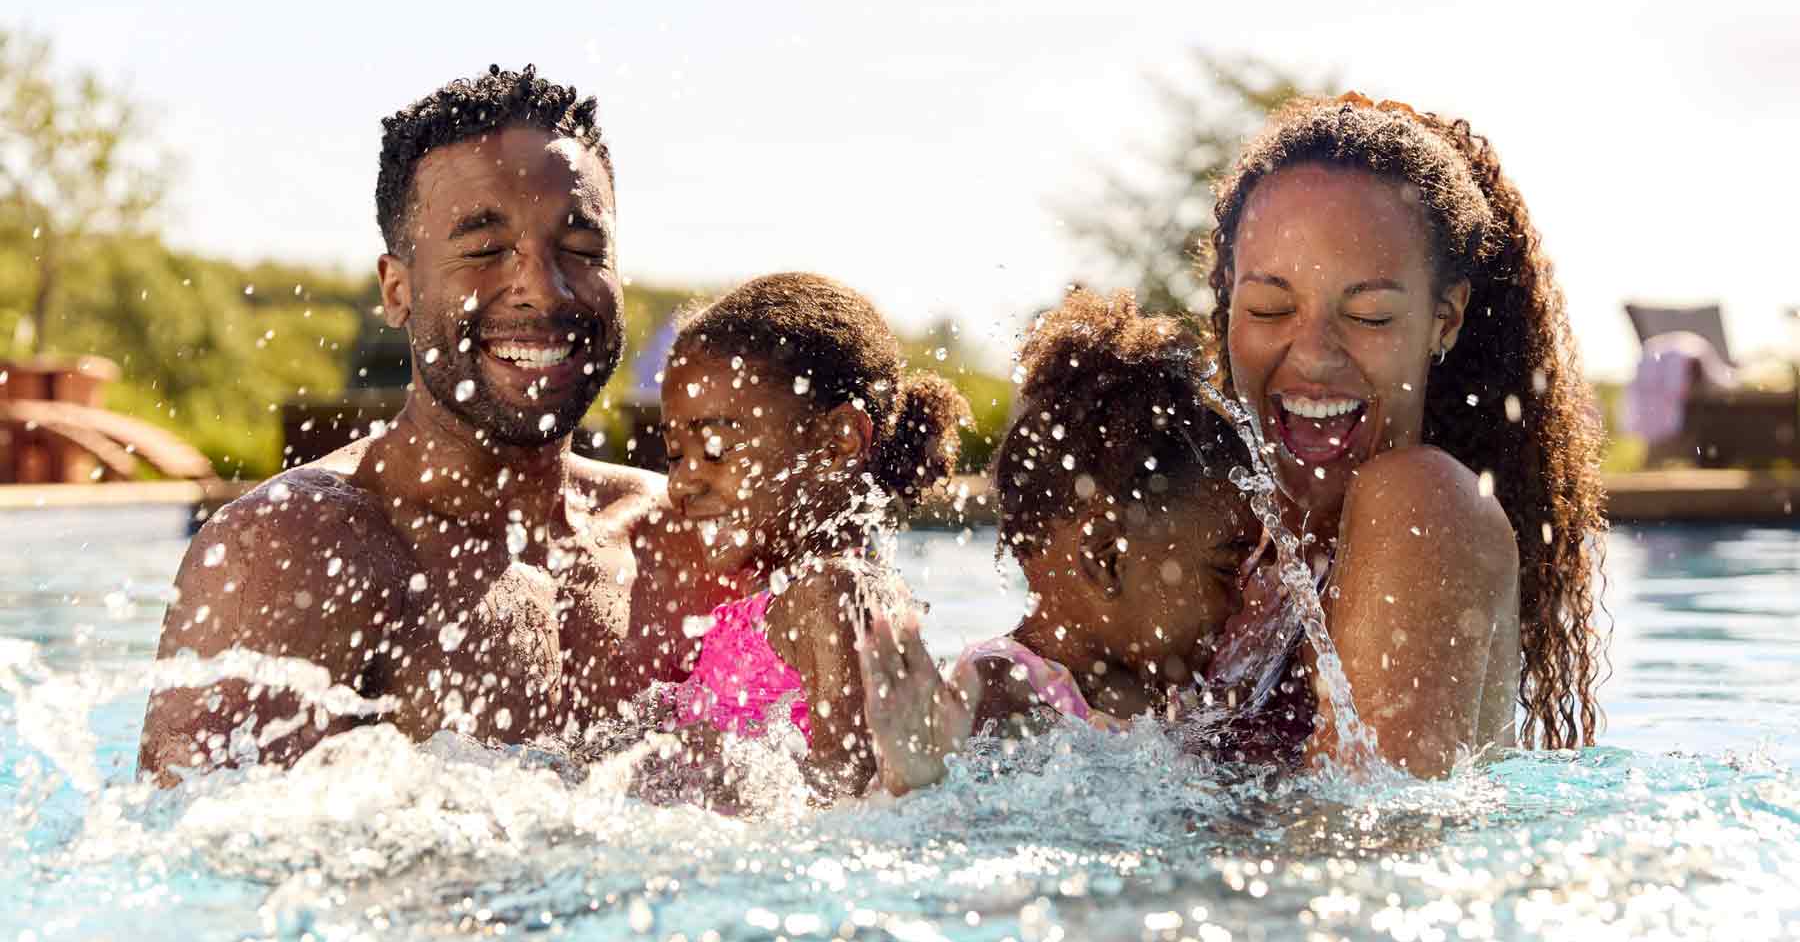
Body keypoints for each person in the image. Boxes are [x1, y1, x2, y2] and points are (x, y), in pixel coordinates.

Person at [138, 66, 721, 784]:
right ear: (397, 288)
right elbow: (197, 866)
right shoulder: (297, 550)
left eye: (580, 248)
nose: (542, 287)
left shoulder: (682, 535)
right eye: (483, 249)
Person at [1203, 93, 1607, 776]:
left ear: (1444, 320)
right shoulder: (1237, 547)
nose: (1313, 356)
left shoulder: (1421, 502)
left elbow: (1366, 848)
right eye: (1270, 307)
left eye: (1368, 315)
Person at [860, 288, 1259, 795]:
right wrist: (919, 782)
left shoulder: (1166, 695)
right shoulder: (1001, 688)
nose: (1241, 600)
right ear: (1105, 558)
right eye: (1225, 570)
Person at [656, 272, 970, 802]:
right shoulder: (790, 595)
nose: (682, 482)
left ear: (837, 441)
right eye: (673, 455)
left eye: (714, 450)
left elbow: (845, 794)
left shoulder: (832, 592)